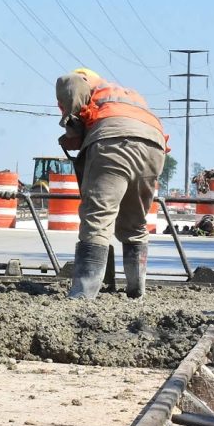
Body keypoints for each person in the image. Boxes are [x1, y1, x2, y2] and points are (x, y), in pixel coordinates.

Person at [56, 68, 168, 299]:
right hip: (154, 145)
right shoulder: (128, 95)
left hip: (114, 141)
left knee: (98, 218)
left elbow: (69, 82)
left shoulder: (86, 81)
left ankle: (82, 294)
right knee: (135, 221)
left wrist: (71, 126)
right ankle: (136, 291)